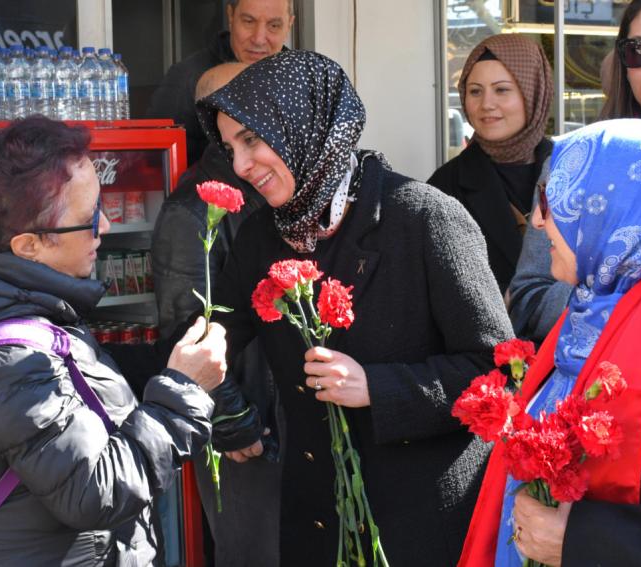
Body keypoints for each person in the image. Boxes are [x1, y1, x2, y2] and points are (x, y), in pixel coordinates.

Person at [195, 50, 514, 566]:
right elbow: (212, 340)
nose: (239, 166)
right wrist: (211, 398)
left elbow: (497, 374)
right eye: (230, 148)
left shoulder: (424, 218)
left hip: (418, 529)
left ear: (304, 123)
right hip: (317, 525)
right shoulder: (260, 236)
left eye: (251, 139)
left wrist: (379, 388)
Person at [0, 116, 228, 566]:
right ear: (28, 246)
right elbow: (96, 491)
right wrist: (183, 393)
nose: (105, 226)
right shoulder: (7, 361)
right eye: (88, 219)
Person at [458, 118, 641, 567]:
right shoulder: (590, 309)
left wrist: (584, 540)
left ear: (618, 207)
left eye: (552, 200)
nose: (538, 221)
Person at [508, 0, 641, 341]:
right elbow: (527, 298)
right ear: (623, 60)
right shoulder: (575, 161)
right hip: (589, 369)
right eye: (638, 50)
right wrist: (618, 291)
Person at [151, 62, 283, 567]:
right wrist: (232, 418)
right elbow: (185, 327)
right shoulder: (193, 207)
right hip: (249, 426)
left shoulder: (270, 187)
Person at [428, 34, 553, 294]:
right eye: (475, 91)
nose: (486, 104)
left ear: (533, 92)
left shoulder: (575, 169)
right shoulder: (444, 188)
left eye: (501, 90)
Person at [147, 0, 294, 165]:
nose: (259, 39)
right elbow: (155, 163)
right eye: (248, 22)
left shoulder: (300, 81)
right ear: (231, 16)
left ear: (289, 25)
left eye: (274, 26)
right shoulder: (186, 80)